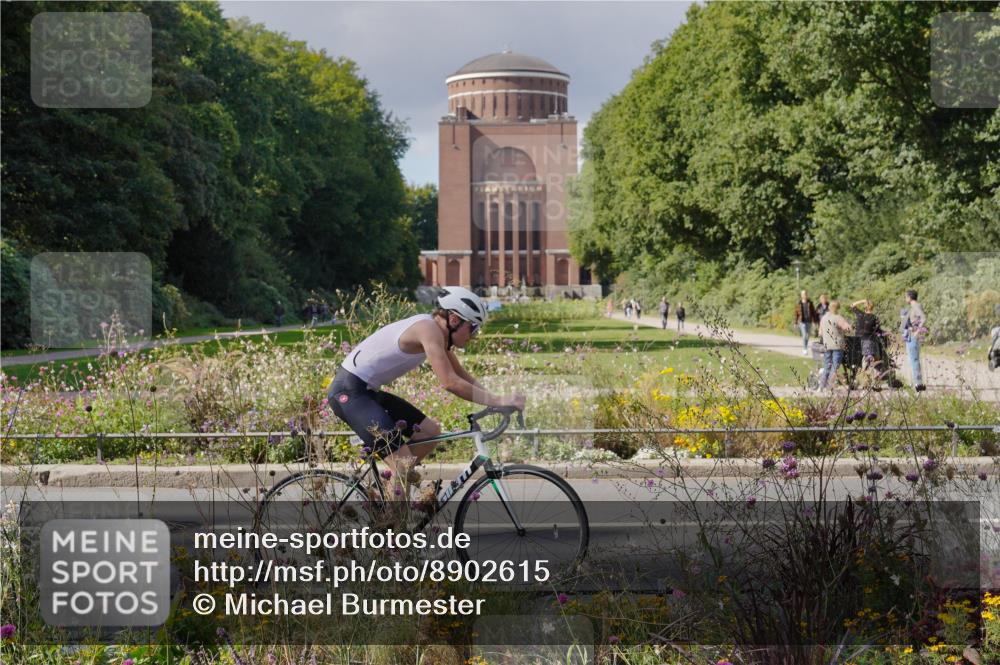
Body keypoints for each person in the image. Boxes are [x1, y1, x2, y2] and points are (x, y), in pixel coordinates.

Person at [327, 286, 525, 502]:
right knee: (402, 467)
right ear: (455, 320)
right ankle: (389, 530)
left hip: (367, 392)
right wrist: (497, 400)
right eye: (473, 327)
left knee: (430, 432)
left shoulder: (437, 334)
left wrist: (495, 400)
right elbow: (450, 382)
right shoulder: (428, 330)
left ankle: (389, 490)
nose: (474, 335)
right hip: (350, 393)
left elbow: (461, 374)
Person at [817, 300, 853, 391]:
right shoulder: (838, 318)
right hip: (837, 346)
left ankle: (821, 386)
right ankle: (829, 387)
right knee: (834, 366)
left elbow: (820, 333)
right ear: (838, 308)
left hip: (827, 346)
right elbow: (848, 328)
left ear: (829, 307)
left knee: (827, 366)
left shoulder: (824, 318)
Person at [901, 290, 927, 391]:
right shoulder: (913, 307)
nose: (905, 299)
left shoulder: (916, 306)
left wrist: (917, 331)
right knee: (913, 359)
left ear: (910, 297)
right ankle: (915, 381)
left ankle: (917, 382)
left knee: (914, 359)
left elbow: (923, 318)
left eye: (906, 297)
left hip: (913, 336)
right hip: (911, 335)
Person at [850, 299, 880, 368]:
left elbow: (852, 305)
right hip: (868, 341)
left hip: (857, 340)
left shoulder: (860, 314)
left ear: (864, 307)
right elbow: (877, 331)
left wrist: (862, 301)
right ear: (872, 307)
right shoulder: (875, 318)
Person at [794, 291, 818, 355]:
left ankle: (806, 347)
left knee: (807, 336)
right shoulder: (799, 303)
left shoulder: (810, 303)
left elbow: (813, 313)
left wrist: (815, 322)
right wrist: (795, 322)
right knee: (804, 335)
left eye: (806, 294)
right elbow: (796, 313)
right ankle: (804, 348)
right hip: (802, 322)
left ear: (807, 295)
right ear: (801, 295)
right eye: (803, 294)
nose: (805, 295)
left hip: (809, 321)